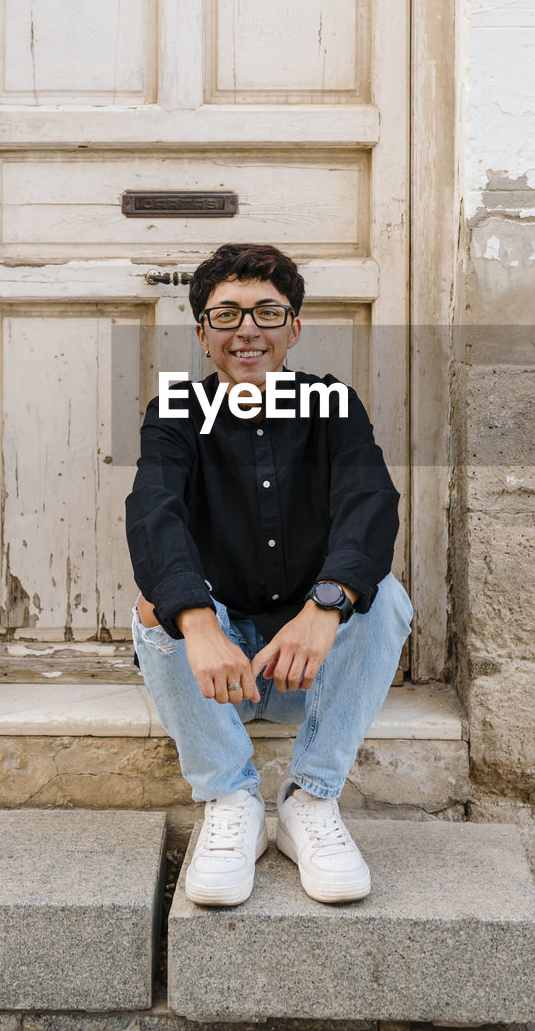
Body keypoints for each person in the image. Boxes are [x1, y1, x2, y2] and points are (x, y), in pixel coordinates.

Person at [125, 243, 413, 907]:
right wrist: (196, 623)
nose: (247, 329)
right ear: (202, 333)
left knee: (385, 598)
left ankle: (311, 800)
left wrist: (324, 607)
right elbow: (154, 512)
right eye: (225, 315)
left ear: (294, 329)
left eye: (267, 312)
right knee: (153, 605)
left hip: (302, 676)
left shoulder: (331, 404)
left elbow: (371, 505)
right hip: (214, 673)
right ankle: (228, 798)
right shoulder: (174, 411)